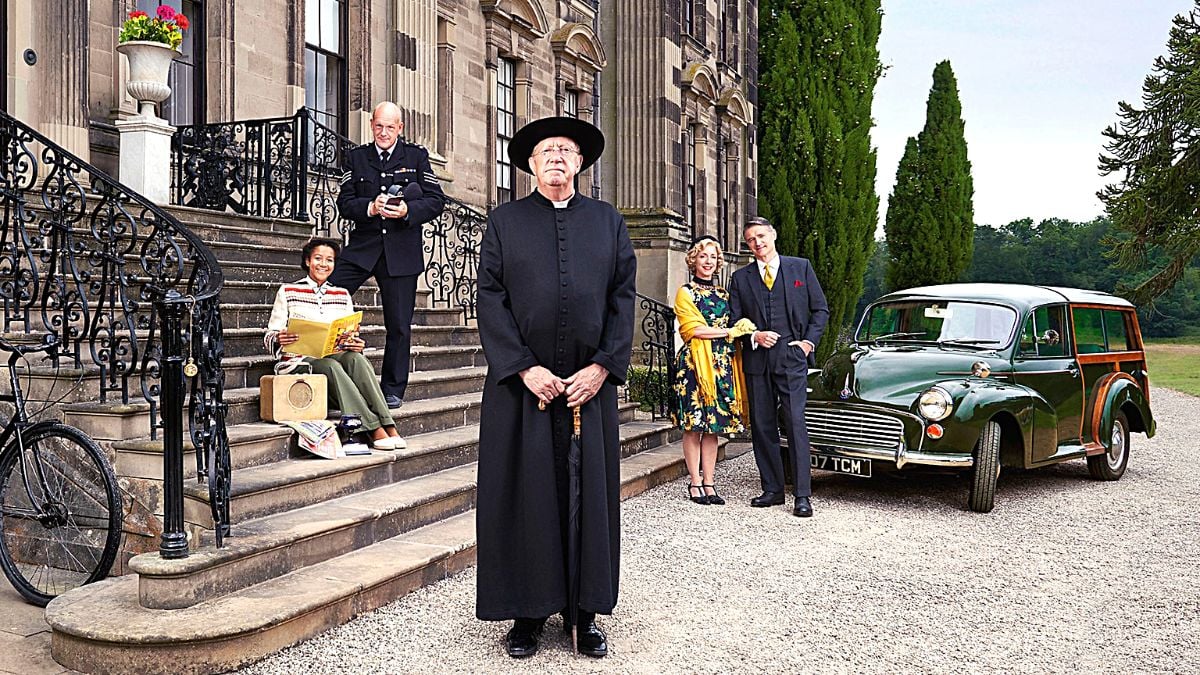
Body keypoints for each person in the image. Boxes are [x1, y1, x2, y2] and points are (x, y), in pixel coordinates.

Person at [474, 117, 636, 659]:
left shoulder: (608, 222)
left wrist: (603, 368)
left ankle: (584, 614)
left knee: (587, 497)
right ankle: (527, 614)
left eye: (566, 150)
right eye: (547, 151)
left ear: (581, 162)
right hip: (524, 390)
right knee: (525, 497)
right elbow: (490, 299)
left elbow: (622, 299)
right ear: (530, 163)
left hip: (589, 389)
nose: (557, 158)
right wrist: (524, 368)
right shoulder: (504, 222)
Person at [333, 101, 446, 409]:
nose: (384, 132)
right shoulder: (356, 157)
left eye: (390, 126)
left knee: (398, 325)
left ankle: (393, 389)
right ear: (372, 125)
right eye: (379, 126)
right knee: (327, 297)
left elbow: (436, 201)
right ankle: (323, 372)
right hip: (363, 248)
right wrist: (369, 207)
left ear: (400, 128)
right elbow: (345, 202)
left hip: (401, 252)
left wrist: (409, 210)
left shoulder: (416, 157)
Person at [728, 216, 829, 517]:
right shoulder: (740, 278)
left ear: (772, 235)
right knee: (762, 425)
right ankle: (772, 489)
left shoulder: (801, 267)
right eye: (750, 240)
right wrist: (754, 335)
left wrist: (808, 343)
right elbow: (734, 321)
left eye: (761, 236)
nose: (757, 243)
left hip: (792, 359)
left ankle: (802, 494)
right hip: (758, 360)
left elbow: (820, 309)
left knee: (796, 423)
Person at [264, 238, 406, 450]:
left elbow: (350, 333)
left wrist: (355, 343)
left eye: (329, 260)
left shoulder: (342, 294)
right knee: (330, 366)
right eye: (318, 259)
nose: (323, 264)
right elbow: (270, 333)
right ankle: (372, 427)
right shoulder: (288, 291)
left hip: (333, 355)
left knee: (356, 359)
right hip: (298, 361)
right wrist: (278, 338)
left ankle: (388, 423)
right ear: (307, 261)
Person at [670, 235, 751, 506]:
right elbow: (693, 330)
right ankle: (694, 483)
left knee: (713, 427)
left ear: (718, 262)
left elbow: (739, 321)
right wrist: (729, 331)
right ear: (693, 259)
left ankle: (710, 483)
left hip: (721, 364)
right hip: (693, 365)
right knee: (694, 425)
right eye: (703, 256)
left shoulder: (724, 295)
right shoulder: (686, 292)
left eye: (713, 257)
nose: (708, 261)